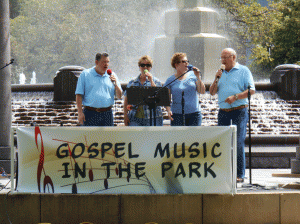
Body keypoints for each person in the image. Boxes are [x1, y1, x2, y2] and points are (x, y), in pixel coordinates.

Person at [209, 48, 255, 183]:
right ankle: (223, 173)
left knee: (238, 142)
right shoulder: (220, 72)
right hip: (223, 112)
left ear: (233, 57)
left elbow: (251, 90)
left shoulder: (244, 71)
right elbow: (212, 92)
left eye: (225, 57)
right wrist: (216, 78)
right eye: (221, 57)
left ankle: (240, 174)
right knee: (222, 142)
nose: (222, 60)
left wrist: (236, 96)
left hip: (239, 110)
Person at [75, 52, 122, 126]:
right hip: (90, 113)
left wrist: (115, 84)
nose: (106, 64)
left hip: (107, 114)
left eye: (107, 62)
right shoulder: (85, 74)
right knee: (89, 137)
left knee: (108, 137)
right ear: (96, 62)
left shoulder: (112, 75)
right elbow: (79, 95)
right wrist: (80, 113)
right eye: (104, 62)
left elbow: (119, 96)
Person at [164, 52, 205, 126]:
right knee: (179, 137)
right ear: (176, 65)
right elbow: (166, 99)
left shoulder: (193, 75)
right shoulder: (170, 80)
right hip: (177, 115)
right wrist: (169, 111)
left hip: (194, 114)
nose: (187, 63)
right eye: (184, 62)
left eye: (187, 61)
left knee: (194, 137)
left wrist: (198, 77)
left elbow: (202, 91)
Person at [123, 55, 163, 126]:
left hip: (152, 117)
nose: (145, 67)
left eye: (148, 65)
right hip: (135, 118)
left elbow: (159, 98)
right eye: (142, 65)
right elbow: (126, 100)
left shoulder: (156, 82)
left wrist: (151, 81)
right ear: (139, 67)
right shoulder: (132, 83)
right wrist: (125, 116)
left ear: (151, 67)